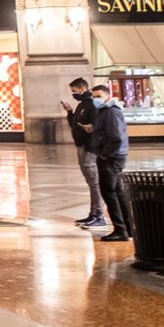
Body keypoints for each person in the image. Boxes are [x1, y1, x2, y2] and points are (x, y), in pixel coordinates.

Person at [88, 84, 134, 242]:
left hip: (112, 158)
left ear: (107, 96)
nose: (95, 99)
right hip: (115, 156)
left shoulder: (110, 112)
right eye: (93, 96)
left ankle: (120, 229)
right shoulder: (107, 111)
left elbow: (116, 137)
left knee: (109, 192)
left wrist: (105, 154)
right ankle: (127, 227)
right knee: (117, 192)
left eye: (98, 96)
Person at [61, 77, 104, 229]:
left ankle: (98, 215)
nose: (73, 94)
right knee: (90, 182)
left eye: (74, 91)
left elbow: (96, 127)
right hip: (81, 146)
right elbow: (76, 124)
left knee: (94, 182)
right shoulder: (82, 105)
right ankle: (93, 213)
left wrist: (91, 145)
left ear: (81, 88)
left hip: (89, 148)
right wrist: (70, 112)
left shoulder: (92, 105)